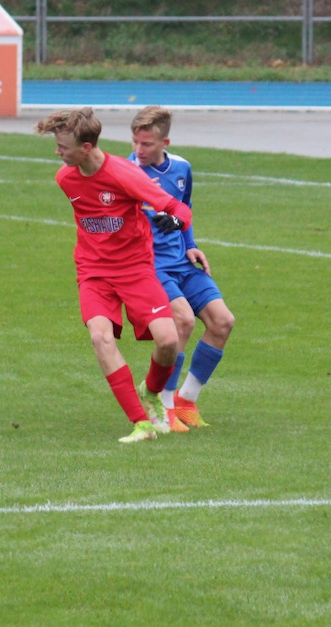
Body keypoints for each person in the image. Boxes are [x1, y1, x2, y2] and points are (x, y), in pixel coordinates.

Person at [36, 107, 194, 443]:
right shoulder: (65, 178)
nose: (58, 153)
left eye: (63, 147)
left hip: (135, 269)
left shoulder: (125, 174)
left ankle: (151, 391)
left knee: (168, 340)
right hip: (93, 271)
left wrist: (176, 221)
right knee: (100, 338)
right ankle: (142, 423)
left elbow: (177, 208)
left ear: (86, 148)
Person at [129, 106, 236, 430]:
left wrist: (189, 242)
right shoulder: (127, 173)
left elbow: (184, 208)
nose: (138, 150)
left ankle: (186, 400)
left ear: (165, 143)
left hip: (182, 262)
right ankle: (163, 406)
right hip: (151, 266)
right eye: (135, 142)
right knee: (183, 321)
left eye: (146, 144)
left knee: (223, 322)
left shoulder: (182, 168)